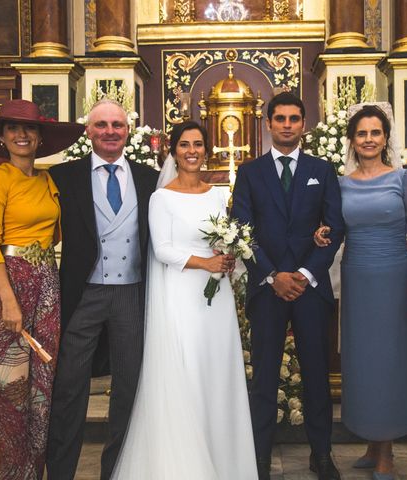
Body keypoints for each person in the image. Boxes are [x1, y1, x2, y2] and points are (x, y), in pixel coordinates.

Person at [0, 98, 159, 479]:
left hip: (131, 295)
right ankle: (60, 473)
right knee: (66, 388)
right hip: (79, 295)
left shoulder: (149, 178)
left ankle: (117, 470)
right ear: (88, 132)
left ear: (128, 131)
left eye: (117, 125)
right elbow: (13, 227)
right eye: (101, 125)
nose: (110, 131)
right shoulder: (63, 176)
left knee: (127, 389)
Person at [111, 121, 258, 479]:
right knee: (188, 371)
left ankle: (224, 463)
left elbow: (225, 240)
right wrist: (204, 262)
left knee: (216, 372)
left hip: (215, 297)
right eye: (184, 145)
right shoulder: (162, 198)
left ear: (206, 150)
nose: (192, 151)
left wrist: (229, 257)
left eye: (198, 144)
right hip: (180, 296)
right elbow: (161, 249)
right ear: (173, 151)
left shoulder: (218, 194)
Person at [0, 99, 84, 479]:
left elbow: (56, 233)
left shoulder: (48, 180)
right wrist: (9, 301)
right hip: (6, 287)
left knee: (42, 395)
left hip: (46, 285)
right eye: (12, 128)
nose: (21, 135)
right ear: (2, 137)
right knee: (10, 394)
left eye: (28, 129)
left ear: (41, 137)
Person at [231, 92, 345, 480]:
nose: (286, 125)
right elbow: (240, 228)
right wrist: (272, 274)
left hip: (310, 288)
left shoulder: (322, 169)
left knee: (316, 374)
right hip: (268, 288)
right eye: (279, 118)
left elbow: (335, 223)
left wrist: (306, 274)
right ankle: (259, 458)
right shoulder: (250, 172)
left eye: (294, 118)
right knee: (264, 377)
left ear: (303, 124)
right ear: (268, 124)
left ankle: (322, 455)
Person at [314, 103, 407, 480]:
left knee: (391, 360)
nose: (368, 139)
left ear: (385, 138)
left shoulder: (403, 180)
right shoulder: (340, 183)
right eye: (361, 133)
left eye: (375, 133)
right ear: (351, 139)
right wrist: (321, 232)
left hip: (395, 275)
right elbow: (333, 226)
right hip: (357, 276)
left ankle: (387, 453)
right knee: (362, 361)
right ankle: (371, 441)